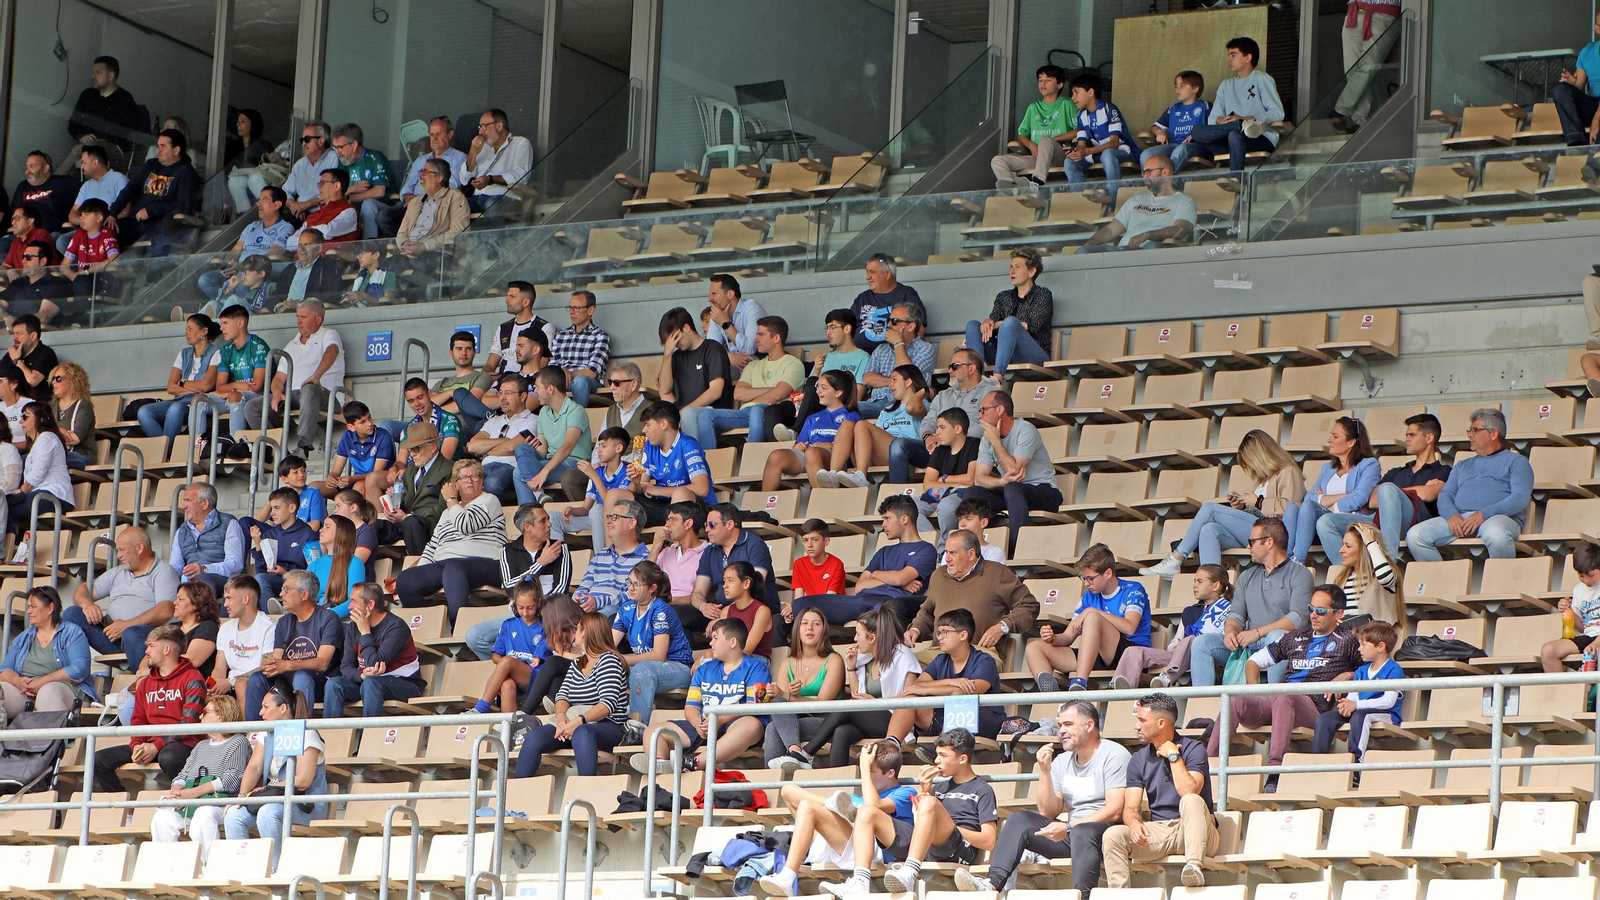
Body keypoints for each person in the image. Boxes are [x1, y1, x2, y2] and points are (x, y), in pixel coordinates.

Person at [956, 700, 1130, 895]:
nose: (1062, 730)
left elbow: (1115, 810)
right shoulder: (1062, 760)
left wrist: (1069, 826)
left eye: (1068, 724)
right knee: (1018, 819)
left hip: (1106, 835)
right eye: (1060, 725)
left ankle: (1084, 896)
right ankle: (991, 885)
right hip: (1072, 833)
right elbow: (1048, 811)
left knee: (1082, 831)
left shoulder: (1114, 755)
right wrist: (1045, 771)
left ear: (1089, 725)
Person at [1208, 584, 1361, 791]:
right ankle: (1208, 765)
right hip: (1276, 702)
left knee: (1283, 695)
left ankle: (1275, 771)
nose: (1314, 615)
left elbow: (1370, 669)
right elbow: (1253, 661)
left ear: (1339, 614)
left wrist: (1347, 675)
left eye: (1321, 611)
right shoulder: (1297, 636)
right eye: (1311, 609)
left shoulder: (1348, 640)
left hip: (1312, 706)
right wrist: (1255, 691)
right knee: (1233, 700)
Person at [835, 727, 998, 896]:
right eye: (937, 754)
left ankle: (909, 873)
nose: (936, 761)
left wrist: (942, 824)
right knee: (867, 812)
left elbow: (988, 840)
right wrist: (926, 790)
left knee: (928, 803)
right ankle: (860, 882)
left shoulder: (982, 790)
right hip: (925, 846)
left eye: (943, 756)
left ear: (963, 758)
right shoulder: (939, 787)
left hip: (958, 849)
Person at [757, 740, 917, 898]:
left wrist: (863, 767)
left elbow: (873, 805)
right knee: (790, 791)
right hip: (838, 841)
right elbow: (787, 794)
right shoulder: (857, 797)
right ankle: (787, 876)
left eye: (871, 771)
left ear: (890, 773)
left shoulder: (904, 792)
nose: (866, 775)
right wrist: (832, 806)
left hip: (870, 849)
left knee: (821, 808)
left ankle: (788, 875)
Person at [1142, 429, 1305, 574]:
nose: (1251, 468)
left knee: (1209, 509)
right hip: (1257, 531)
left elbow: (1292, 509)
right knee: (1209, 529)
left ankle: (1176, 557)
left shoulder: (1288, 471)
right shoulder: (1264, 480)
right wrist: (1242, 505)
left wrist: (1258, 502)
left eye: (1250, 462)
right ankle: (1212, 585)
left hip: (1275, 534)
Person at [1102, 692, 1219, 888]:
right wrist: (1134, 824)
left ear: (1161, 723)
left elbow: (1188, 790)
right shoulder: (1138, 759)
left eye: (1141, 720)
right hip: (1160, 831)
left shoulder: (1194, 749)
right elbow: (1130, 808)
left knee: (1190, 800)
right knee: (1113, 835)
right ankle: (1120, 895)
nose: (1136, 726)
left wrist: (1173, 755)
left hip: (1198, 831)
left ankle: (1193, 867)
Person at [631, 616, 770, 774]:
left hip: (736, 725)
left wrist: (720, 719)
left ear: (733, 642)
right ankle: (661, 768)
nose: (711, 643)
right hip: (704, 725)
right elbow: (691, 706)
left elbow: (754, 706)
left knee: (750, 725)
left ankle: (695, 763)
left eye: (716, 638)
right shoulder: (704, 669)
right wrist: (697, 723)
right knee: (654, 732)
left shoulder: (756, 668)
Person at [1190, 517, 1313, 687]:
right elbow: (1236, 615)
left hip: (1286, 644)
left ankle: (1274, 700)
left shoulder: (1300, 573)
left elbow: (1297, 618)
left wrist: (1257, 632)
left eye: (1252, 541)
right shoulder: (1246, 576)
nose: (1248, 546)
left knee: (1275, 637)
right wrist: (1231, 630)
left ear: (1269, 542)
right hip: (1250, 646)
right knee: (1202, 642)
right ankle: (1200, 705)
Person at [795, 608, 920, 770]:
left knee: (848, 708)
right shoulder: (864, 659)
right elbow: (856, 694)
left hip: (895, 721)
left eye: (858, 634)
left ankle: (807, 753)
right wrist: (852, 668)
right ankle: (837, 784)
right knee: (842, 731)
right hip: (869, 718)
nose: (855, 639)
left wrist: (876, 702)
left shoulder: (903, 656)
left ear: (872, 638)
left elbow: (910, 696)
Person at [942, 390, 1062, 555]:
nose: (979, 416)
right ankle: (976, 545)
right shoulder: (987, 439)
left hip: (1044, 491)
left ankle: (1015, 550)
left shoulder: (1025, 429)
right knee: (972, 492)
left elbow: (1014, 470)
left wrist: (996, 441)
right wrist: (1000, 482)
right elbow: (979, 478)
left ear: (999, 410)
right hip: (1011, 492)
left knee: (1013, 488)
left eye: (983, 410)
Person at [1316, 413, 1449, 557]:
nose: (1406, 439)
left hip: (1414, 524)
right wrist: (1402, 492)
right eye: (1406, 435)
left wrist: (1392, 492)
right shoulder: (1397, 472)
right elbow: (1373, 500)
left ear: (1429, 438)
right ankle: (1347, 574)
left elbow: (1428, 494)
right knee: (1326, 521)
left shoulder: (1444, 470)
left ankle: (1389, 559)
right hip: (1379, 522)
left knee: (1386, 489)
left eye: (1412, 435)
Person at [1407, 408, 1533, 561]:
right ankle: (1444, 583)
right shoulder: (1462, 465)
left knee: (1497, 534)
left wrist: (1482, 514)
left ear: (1493, 434)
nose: (1470, 434)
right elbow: (1446, 495)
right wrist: (1452, 515)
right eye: (1470, 430)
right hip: (1461, 518)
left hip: (1498, 518)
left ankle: (1501, 584)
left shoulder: (1517, 462)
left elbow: (1519, 498)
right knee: (1415, 536)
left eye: (1475, 430)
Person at [223, 684, 329, 866]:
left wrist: (266, 790)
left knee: (267, 812)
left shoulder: (308, 733)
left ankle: (276, 870)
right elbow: (254, 767)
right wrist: (242, 796)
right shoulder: (266, 732)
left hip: (304, 804)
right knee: (234, 813)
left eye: (265, 707)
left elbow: (302, 781)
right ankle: (241, 870)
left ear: (283, 708)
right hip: (270, 797)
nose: (260, 712)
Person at [793, 495, 936, 628]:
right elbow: (860, 586)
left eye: (887, 519)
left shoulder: (926, 549)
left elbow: (899, 578)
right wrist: (894, 581)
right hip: (860, 601)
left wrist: (877, 574)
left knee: (886, 610)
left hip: (889, 603)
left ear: (904, 519)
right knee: (800, 604)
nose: (883, 524)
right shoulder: (884, 551)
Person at [94, 623, 205, 793]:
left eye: (151, 646)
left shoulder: (193, 678)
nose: (146, 652)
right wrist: (137, 745)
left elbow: (188, 723)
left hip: (184, 743)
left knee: (168, 757)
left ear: (167, 649)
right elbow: (138, 720)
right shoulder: (146, 683)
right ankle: (126, 811)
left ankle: (185, 801)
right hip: (152, 743)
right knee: (98, 759)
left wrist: (156, 746)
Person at [516, 612, 629, 777]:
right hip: (573, 724)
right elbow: (562, 696)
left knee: (583, 732)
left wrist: (579, 721)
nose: (574, 631)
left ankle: (585, 793)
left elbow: (607, 706)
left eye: (578, 628)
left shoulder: (609, 660)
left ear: (587, 632)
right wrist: (561, 717)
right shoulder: (577, 663)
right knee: (535, 736)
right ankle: (515, 796)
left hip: (608, 726)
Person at [1027, 543, 1150, 692]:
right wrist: (1052, 638)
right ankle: (1050, 694)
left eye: (1090, 578)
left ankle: (1079, 683)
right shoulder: (1088, 597)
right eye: (1083, 578)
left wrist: (1092, 612)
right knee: (1034, 647)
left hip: (1130, 654)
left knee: (1092, 617)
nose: (1086, 583)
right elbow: (1067, 637)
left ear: (1108, 573)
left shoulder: (1133, 590)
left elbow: (1130, 627)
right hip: (1096, 654)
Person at [395, 459, 507, 621]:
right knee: (406, 580)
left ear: (481, 481)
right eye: (464, 478)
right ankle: (429, 624)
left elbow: (465, 525)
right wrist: (421, 572)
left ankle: (458, 626)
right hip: (447, 565)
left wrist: (450, 500)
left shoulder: (489, 500)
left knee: (454, 568)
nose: (469, 480)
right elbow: (432, 546)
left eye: (474, 476)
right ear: (456, 484)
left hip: (486, 563)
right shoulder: (447, 512)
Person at [149, 694, 251, 863]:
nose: (200, 716)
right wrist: (178, 789)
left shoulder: (239, 742)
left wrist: (194, 792)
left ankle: (208, 866)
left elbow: (232, 779)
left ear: (221, 715)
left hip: (219, 802)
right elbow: (183, 773)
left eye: (205, 711)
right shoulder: (201, 746)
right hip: (192, 800)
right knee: (162, 818)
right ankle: (166, 867)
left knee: (204, 815)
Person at [887, 609, 1003, 749]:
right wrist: (951, 682)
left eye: (945, 632)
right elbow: (917, 686)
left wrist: (929, 689)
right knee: (911, 697)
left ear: (963, 635)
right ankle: (890, 747)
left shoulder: (984, 660)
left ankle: (944, 748)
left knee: (959, 695)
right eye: (938, 633)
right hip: (944, 720)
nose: (939, 637)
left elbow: (971, 690)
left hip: (981, 721)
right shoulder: (940, 660)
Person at [65, 526, 177, 670]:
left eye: (121, 550)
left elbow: (166, 611)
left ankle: (145, 682)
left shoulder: (163, 572)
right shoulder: (117, 572)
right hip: (112, 636)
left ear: (139, 548)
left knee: (131, 633)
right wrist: (87, 605)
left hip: (145, 639)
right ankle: (74, 672)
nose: (118, 555)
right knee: (72, 614)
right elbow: (82, 590)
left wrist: (126, 625)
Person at [245, 299, 346, 457]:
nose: (299, 321)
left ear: (318, 319)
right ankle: (280, 452)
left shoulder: (329, 334)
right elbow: (278, 378)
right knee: (251, 407)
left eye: (304, 317)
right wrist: (277, 393)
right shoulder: (291, 345)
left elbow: (331, 352)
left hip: (326, 394)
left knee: (309, 388)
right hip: (294, 395)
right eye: (297, 316)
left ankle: (304, 446)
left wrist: (316, 377)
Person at [905, 528, 1036, 650]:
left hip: (979, 653)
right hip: (939, 653)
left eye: (953, 553)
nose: (947, 558)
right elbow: (927, 613)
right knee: (906, 669)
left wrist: (1001, 627)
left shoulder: (998, 573)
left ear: (971, 554)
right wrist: (915, 629)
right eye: (946, 552)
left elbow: (1029, 605)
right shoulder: (938, 575)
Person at [695, 315, 802, 448]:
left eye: (761, 335)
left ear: (776, 338)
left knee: (757, 410)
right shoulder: (753, 365)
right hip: (745, 413)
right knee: (705, 415)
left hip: (771, 413)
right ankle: (708, 465)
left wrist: (754, 396)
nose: (756, 339)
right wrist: (771, 388)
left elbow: (778, 395)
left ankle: (751, 459)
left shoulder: (793, 364)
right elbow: (738, 394)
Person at [245, 569, 341, 717]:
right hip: (288, 682)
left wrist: (288, 665)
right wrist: (268, 665)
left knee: (302, 675)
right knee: (257, 679)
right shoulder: (283, 622)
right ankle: (253, 735)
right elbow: (276, 660)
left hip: (318, 683)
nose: (281, 594)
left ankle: (301, 732)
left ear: (304, 594)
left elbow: (322, 663)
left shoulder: (328, 618)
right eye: (282, 589)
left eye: (287, 589)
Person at [613, 561, 695, 733]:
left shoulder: (660, 610)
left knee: (641, 670)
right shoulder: (626, 608)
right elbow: (609, 644)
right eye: (629, 582)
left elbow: (659, 655)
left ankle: (637, 730)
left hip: (678, 667)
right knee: (607, 668)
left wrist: (622, 659)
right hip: (643, 668)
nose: (631, 588)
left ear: (652, 588)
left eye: (637, 584)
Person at [323, 583, 425, 716]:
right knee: (334, 684)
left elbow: (374, 664)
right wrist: (361, 676)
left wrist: (365, 632)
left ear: (370, 605)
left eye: (353, 601)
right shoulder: (353, 627)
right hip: (369, 682)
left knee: (371, 683)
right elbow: (346, 667)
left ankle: (369, 734)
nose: (349, 607)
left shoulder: (396, 627)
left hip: (405, 683)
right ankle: (331, 735)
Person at [764, 606, 845, 771]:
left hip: (825, 721)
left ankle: (774, 781)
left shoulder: (833, 659)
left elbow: (823, 703)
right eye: (804, 623)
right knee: (776, 715)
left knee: (774, 727)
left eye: (816, 624)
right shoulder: (787, 662)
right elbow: (782, 701)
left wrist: (788, 695)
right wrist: (781, 694)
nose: (810, 628)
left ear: (824, 630)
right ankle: (795, 752)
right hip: (793, 720)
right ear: (797, 629)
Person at [1289, 416, 1380, 562]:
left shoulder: (1369, 465)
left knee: (1322, 518)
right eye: (1331, 435)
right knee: (1296, 506)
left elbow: (1360, 496)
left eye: (1335, 436)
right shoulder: (1328, 468)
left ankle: (1299, 560)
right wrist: (1343, 495)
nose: (1329, 440)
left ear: (1351, 442)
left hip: (1355, 519)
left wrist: (1327, 504)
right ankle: (1292, 560)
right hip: (1326, 517)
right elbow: (1309, 497)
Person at [1312, 620, 1403, 763]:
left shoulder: (1394, 669)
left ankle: (1356, 762)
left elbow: (1388, 701)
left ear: (1380, 647)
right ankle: (1317, 763)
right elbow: (1354, 696)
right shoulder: (1361, 671)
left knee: (1360, 716)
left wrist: (1356, 705)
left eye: (1363, 644)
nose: (1359, 649)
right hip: (1359, 710)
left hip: (1387, 714)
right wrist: (1346, 705)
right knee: (1324, 719)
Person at [1188, 37, 1285, 171]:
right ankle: (1238, 125)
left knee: (1235, 134)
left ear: (1248, 57)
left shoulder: (1261, 79)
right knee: (1196, 131)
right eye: (1228, 56)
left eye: (1233, 55)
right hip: (1229, 137)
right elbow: (1212, 119)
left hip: (1259, 138)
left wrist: (1246, 119)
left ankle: (1236, 178)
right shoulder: (1225, 85)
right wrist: (1221, 120)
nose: (1229, 60)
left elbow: (1277, 113)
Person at [684, 502, 780, 636]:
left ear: (729, 524)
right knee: (678, 616)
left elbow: (753, 588)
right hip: (721, 611)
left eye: (712, 525)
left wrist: (723, 618)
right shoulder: (709, 551)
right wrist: (703, 606)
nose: (706, 530)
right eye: (706, 525)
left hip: (753, 610)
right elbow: (698, 591)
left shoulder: (755, 545)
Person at [615, 402, 715, 527]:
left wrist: (658, 490)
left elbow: (702, 489)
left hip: (696, 510)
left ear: (664, 424)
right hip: (663, 506)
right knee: (616, 495)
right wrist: (636, 482)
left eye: (647, 424)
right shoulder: (648, 446)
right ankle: (612, 547)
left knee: (680, 494)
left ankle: (677, 546)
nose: (643, 430)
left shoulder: (688, 445)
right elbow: (642, 487)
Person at [0, 586, 96, 716]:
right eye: (28, 606)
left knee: (47, 691)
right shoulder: (24, 637)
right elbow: (4, 670)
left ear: (50, 608)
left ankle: (55, 737)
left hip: (65, 690)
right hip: (26, 693)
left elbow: (80, 668)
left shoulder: (72, 632)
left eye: (33, 606)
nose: (29, 611)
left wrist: (43, 681)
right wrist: (18, 681)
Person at [762, 370, 861, 492]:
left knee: (812, 453)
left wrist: (828, 445)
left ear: (838, 392)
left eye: (823, 388)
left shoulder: (851, 416)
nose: (818, 391)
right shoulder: (813, 418)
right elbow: (799, 443)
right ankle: (763, 503)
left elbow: (857, 448)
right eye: (818, 386)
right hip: (808, 454)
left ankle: (821, 500)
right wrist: (798, 446)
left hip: (835, 457)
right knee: (776, 456)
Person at [833, 364, 928, 490]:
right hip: (882, 453)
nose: (890, 384)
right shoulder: (887, 409)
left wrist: (923, 390)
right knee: (847, 425)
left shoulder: (924, 404)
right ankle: (833, 474)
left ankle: (861, 475)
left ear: (908, 381)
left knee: (862, 424)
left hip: (908, 451)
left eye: (894, 379)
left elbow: (911, 408)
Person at [1077, 154, 1196, 253]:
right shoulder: (1135, 200)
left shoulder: (1184, 201)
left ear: (1165, 172)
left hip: (1154, 251)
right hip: (1122, 252)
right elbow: (1111, 230)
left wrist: (1148, 235)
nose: (1145, 176)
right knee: (1082, 252)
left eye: (1148, 172)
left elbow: (1180, 230)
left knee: (1151, 247)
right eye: (1143, 173)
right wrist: (1088, 244)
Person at [966, 248, 1054, 377]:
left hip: (1034, 355)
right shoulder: (1003, 297)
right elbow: (994, 320)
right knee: (973, 325)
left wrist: (1001, 324)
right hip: (1005, 354)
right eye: (1011, 266)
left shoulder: (1043, 294)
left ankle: (997, 377)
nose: (1012, 271)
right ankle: (976, 378)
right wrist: (988, 322)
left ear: (1031, 271)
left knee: (1010, 322)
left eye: (1018, 267)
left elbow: (1033, 325)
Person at [138, 314, 221, 451]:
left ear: (204, 331)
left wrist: (182, 383)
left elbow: (206, 386)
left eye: (190, 328)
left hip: (198, 402)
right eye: (186, 329)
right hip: (179, 399)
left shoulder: (215, 353)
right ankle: (168, 452)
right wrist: (192, 387)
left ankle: (165, 455)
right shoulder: (183, 354)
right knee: (144, 412)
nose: (186, 333)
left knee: (175, 409)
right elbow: (171, 387)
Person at [783, 309, 871, 438]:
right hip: (816, 404)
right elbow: (808, 392)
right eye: (827, 328)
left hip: (838, 406)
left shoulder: (863, 357)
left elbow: (856, 394)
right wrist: (817, 370)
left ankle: (796, 431)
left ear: (847, 329)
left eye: (833, 327)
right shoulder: (825, 358)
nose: (828, 333)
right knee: (773, 410)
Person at [199, 187, 296, 302]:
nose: (258, 204)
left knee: (241, 286)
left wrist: (244, 267)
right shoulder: (252, 226)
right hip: (240, 269)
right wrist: (229, 264)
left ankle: (226, 303)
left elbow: (273, 253)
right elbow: (235, 251)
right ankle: (227, 302)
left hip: (259, 271)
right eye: (258, 200)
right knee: (205, 280)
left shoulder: (285, 227)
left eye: (264, 200)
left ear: (277, 204)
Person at [113, 129, 201, 255]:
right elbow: (129, 189)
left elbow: (184, 206)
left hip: (163, 225)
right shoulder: (151, 164)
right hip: (138, 223)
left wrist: (152, 210)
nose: (158, 150)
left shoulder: (186, 172)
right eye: (158, 145)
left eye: (163, 146)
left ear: (176, 150)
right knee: (107, 233)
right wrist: (112, 213)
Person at [657, 306, 733, 450]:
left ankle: (696, 463)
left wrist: (683, 411)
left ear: (686, 328)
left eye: (675, 338)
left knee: (690, 414)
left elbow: (715, 391)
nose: (675, 344)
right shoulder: (675, 356)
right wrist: (667, 355)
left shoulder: (713, 349)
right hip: (684, 415)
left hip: (713, 411)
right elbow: (665, 389)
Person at [992, 63, 1076, 190]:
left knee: (1046, 139)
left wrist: (1056, 139)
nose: (1043, 84)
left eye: (1048, 80)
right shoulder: (1033, 107)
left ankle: (1037, 182)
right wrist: (1032, 147)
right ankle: (1010, 187)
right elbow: (1022, 134)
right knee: (998, 160)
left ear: (1060, 84)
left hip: (1059, 155)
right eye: (1040, 80)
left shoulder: (1066, 103)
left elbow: (1080, 130)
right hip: (1036, 157)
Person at [380, 116, 468, 236]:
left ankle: (415, 246)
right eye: (431, 134)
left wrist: (422, 199)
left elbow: (450, 185)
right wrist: (406, 197)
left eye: (439, 134)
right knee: (383, 217)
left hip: (438, 204)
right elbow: (407, 186)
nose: (434, 138)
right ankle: (405, 246)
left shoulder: (459, 158)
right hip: (413, 204)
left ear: (450, 134)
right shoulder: (421, 160)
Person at [374, 422, 453, 555]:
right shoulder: (411, 470)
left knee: (412, 522)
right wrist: (395, 503)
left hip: (430, 525)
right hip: (406, 523)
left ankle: (420, 568)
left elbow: (443, 508)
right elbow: (408, 502)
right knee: (370, 526)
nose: (412, 454)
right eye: (410, 450)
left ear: (433, 446)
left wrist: (408, 517)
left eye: (416, 448)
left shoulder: (449, 469)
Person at [517, 367, 592, 504]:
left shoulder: (576, 411)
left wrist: (544, 472)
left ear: (550, 389)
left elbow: (567, 447)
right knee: (522, 449)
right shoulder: (543, 413)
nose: (534, 391)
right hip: (551, 462)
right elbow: (542, 450)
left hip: (573, 463)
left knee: (519, 474)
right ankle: (538, 497)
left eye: (537, 387)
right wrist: (530, 452)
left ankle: (529, 510)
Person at [473, 582, 548, 713]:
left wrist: (509, 662)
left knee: (507, 662)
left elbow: (543, 657)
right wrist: (507, 662)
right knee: (507, 684)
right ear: (514, 604)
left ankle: (480, 708)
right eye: (521, 607)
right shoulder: (508, 625)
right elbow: (496, 657)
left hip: (535, 678)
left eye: (530, 607)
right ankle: (511, 727)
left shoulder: (545, 625)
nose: (525, 612)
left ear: (539, 602)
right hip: (512, 675)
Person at [570, 499, 650, 618]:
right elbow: (585, 586)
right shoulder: (599, 555)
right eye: (608, 517)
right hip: (587, 609)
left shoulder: (645, 558)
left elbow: (632, 595)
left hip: (613, 613)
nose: (608, 521)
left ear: (631, 523)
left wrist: (598, 602)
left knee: (608, 612)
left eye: (614, 517)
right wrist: (579, 598)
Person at [1061, 72, 1134, 198]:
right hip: (1097, 154)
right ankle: (1083, 202)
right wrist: (1075, 152)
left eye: (1076, 92)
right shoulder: (1081, 115)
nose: (1073, 97)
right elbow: (1081, 144)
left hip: (1122, 151)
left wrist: (1087, 151)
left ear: (1090, 92)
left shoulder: (1109, 109)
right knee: (1070, 162)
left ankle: (1115, 200)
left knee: (1108, 154)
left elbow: (1114, 143)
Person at [470, 374, 537, 506]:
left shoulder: (533, 420)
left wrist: (486, 451)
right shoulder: (493, 420)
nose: (502, 398)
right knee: (461, 481)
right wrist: (502, 441)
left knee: (492, 483)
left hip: (511, 466)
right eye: (500, 393)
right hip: (483, 466)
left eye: (508, 393)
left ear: (523, 396)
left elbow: (512, 447)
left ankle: (496, 521)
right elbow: (472, 446)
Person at [557, 427, 632, 547]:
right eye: (599, 446)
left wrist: (593, 475)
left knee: (598, 509)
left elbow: (612, 506)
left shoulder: (628, 472)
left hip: (617, 521)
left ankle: (600, 557)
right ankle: (558, 559)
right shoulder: (597, 471)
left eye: (604, 446)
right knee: (552, 517)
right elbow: (585, 509)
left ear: (618, 448)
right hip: (597, 520)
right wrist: (572, 510)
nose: (599, 450)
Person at [8, 404, 75, 536]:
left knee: (5, 508)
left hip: (55, 496)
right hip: (41, 495)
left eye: (25, 417)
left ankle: (13, 544)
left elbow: (37, 473)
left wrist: (21, 490)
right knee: (4, 506)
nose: (21, 421)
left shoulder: (47, 437)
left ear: (41, 419)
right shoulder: (38, 442)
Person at [393, 157, 469, 271]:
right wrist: (405, 245)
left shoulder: (455, 196)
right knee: (383, 265)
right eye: (421, 171)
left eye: (425, 172)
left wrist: (425, 246)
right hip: (410, 253)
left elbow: (458, 232)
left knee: (421, 264)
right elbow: (402, 232)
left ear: (439, 178)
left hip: (437, 253)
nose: (420, 175)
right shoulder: (414, 202)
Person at [169, 482, 245, 596]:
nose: (184, 506)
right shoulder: (181, 531)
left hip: (219, 579)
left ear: (204, 503)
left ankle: (204, 614)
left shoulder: (229, 523)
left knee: (203, 580)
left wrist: (205, 569)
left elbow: (235, 564)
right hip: (190, 582)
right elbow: (175, 567)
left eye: (188, 500)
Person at [1328, 521, 1404, 632]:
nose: (1341, 550)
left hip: (1374, 638)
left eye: (1348, 546)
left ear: (1364, 550)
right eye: (1343, 544)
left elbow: (1385, 577)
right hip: (1343, 637)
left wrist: (1371, 544)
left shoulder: (1382, 574)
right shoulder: (1342, 578)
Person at [517, 595, 585, 717]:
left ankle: (524, 713)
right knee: (556, 678)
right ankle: (555, 703)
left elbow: (591, 657)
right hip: (573, 673)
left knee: (553, 662)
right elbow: (559, 655)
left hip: (590, 669)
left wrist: (565, 654)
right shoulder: (562, 632)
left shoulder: (585, 625)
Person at [213, 576, 274, 711]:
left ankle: (246, 732)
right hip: (231, 684)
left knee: (242, 684)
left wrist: (231, 682)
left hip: (259, 683)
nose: (225, 604)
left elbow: (266, 665)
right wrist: (214, 684)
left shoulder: (268, 627)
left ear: (245, 599)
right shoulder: (225, 628)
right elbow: (220, 667)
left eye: (229, 598)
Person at [211, 305, 270, 442]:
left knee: (235, 395)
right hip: (233, 395)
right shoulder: (225, 350)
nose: (221, 328)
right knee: (198, 401)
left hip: (258, 397)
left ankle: (235, 446)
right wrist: (238, 385)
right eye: (221, 324)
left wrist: (234, 389)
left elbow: (256, 386)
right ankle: (197, 453)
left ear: (240, 323)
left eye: (225, 323)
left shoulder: (258, 346)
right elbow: (219, 386)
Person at [320, 401, 395, 505]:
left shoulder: (383, 436)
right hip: (355, 480)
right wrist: (331, 478)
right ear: (351, 427)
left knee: (359, 486)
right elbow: (336, 471)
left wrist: (351, 479)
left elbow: (375, 475)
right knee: (315, 487)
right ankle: (323, 520)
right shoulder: (347, 437)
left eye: (369, 417)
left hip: (376, 481)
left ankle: (360, 519)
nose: (369, 423)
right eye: (362, 422)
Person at [327, 123, 394, 239]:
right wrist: (352, 189)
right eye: (335, 147)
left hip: (384, 206)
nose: (337, 152)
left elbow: (379, 191)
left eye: (340, 147)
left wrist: (351, 198)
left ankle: (368, 247)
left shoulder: (374, 157)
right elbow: (334, 193)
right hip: (354, 208)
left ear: (354, 144)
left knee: (368, 204)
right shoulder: (343, 162)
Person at [1542, 541, 1600, 673]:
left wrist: (1597, 642)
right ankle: (1563, 692)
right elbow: (1583, 627)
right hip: (1589, 637)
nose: (1586, 580)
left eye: (1590, 575)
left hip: (1597, 641)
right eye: (1581, 576)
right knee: (1548, 651)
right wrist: (1568, 612)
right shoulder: (1578, 590)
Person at [849, 253, 925, 354]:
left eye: (872, 272)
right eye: (867, 272)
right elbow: (846, 329)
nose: (867, 277)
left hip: (893, 355)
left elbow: (919, 330)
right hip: (860, 357)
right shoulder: (862, 298)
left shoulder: (906, 294)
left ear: (887, 274)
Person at [68, 56, 143, 156]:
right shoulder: (87, 95)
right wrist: (80, 136)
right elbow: (73, 123)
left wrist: (89, 143)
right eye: (93, 72)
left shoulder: (124, 99)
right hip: (84, 146)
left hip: (110, 150)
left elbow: (120, 133)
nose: (92, 76)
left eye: (98, 72)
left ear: (111, 76)